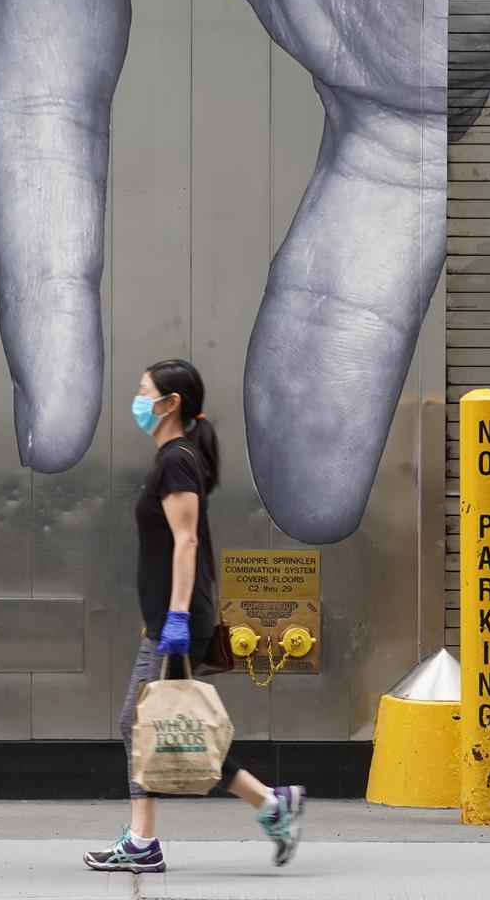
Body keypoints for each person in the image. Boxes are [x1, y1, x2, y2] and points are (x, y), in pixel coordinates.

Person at [83, 357, 306, 874]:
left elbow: (186, 543)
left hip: (179, 619)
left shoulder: (177, 461)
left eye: (144, 391)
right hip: (168, 618)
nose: (138, 400)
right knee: (170, 725)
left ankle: (144, 843)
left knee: (144, 722)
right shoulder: (172, 458)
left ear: (170, 403)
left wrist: (178, 621)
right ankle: (272, 805)